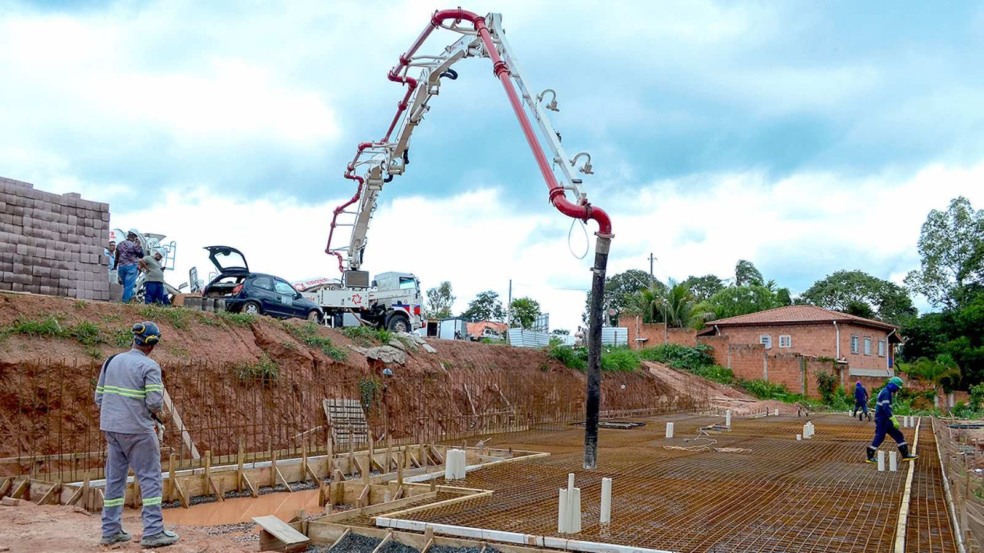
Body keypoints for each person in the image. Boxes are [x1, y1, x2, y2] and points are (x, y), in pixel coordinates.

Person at [95, 321, 179, 548]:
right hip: (138, 431)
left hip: (112, 429)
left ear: (134, 340)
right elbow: (154, 403)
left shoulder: (111, 361)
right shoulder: (149, 367)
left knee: (114, 479)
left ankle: (110, 530)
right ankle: (153, 531)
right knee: (150, 479)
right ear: (152, 345)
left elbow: (99, 398)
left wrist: (117, 413)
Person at [865, 376, 918, 464]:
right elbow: (885, 408)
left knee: (898, 435)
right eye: (897, 387)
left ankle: (905, 454)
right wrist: (892, 418)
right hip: (883, 419)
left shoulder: (886, 391)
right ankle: (870, 455)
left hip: (885, 419)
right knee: (880, 437)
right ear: (893, 385)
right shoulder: (886, 393)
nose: (897, 390)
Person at [115, 229, 144, 303]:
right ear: (135, 237)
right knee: (129, 286)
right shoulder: (134, 245)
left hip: (121, 267)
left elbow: (116, 257)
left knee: (126, 286)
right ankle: (124, 303)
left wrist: (115, 266)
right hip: (131, 267)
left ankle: (132, 297)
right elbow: (141, 255)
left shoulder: (120, 244)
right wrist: (139, 245)